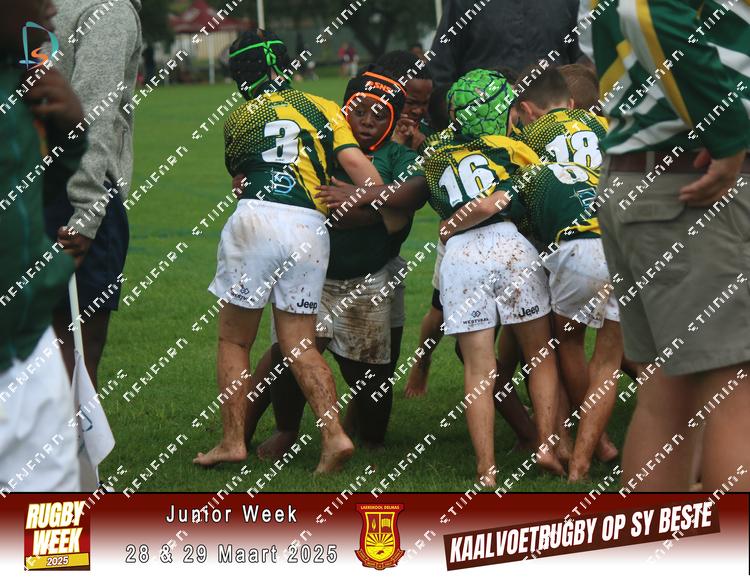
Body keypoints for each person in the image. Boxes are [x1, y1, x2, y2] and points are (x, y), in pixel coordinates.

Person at [193, 30, 383, 473]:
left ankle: (232, 441)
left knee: (234, 339)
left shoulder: (240, 118)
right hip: (309, 228)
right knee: (299, 342)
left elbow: (241, 179)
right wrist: (352, 195)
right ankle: (334, 435)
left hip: (256, 220)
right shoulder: (324, 107)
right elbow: (368, 179)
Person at [592, 0, 750, 491]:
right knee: (734, 388)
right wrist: (729, 134)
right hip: (693, 181)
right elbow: (647, 11)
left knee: (670, 392)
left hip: (647, 176)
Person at [252, 68, 428, 459]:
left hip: (367, 280)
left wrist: (363, 195)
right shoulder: (323, 142)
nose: (366, 121)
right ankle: (285, 429)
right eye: (358, 111)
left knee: (370, 373)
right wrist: (376, 207)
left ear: (393, 120)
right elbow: (319, 204)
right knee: (289, 358)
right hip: (312, 275)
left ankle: (373, 437)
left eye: (379, 114)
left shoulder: (397, 155)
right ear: (343, 109)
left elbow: (415, 192)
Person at [0, 0, 86, 492]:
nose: (51, 7)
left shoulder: (20, 87)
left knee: (49, 532)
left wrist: (70, 136)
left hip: (30, 350)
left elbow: (28, 198)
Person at [44, 0, 142, 389]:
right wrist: (86, 209)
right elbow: (93, 113)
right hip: (75, 190)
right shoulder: (108, 10)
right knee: (77, 353)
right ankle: (68, 432)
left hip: (23, 185)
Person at [428, 0, 586, 87]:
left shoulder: (568, 3)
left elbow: (583, 61)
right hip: (484, 123)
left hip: (553, 119)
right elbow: (441, 66)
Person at [376, 50, 435, 151]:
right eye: (410, 102)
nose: (418, 111)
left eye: (425, 103)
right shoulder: (365, 132)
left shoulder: (430, 137)